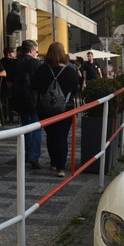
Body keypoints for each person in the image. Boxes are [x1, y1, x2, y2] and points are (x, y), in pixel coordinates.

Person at [30, 42, 78, 178]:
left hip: (45, 108)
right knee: (62, 137)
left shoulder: (42, 69)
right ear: (63, 53)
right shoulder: (70, 71)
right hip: (65, 108)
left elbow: (33, 86)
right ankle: (60, 168)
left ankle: (53, 161)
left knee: (50, 135)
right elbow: (75, 90)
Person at [7, 39, 41, 169]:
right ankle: (33, 156)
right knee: (36, 126)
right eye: (36, 51)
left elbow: (9, 83)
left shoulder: (14, 63)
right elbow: (40, 84)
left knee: (25, 126)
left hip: (19, 99)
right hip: (33, 99)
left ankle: (25, 154)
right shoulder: (36, 63)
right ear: (32, 50)